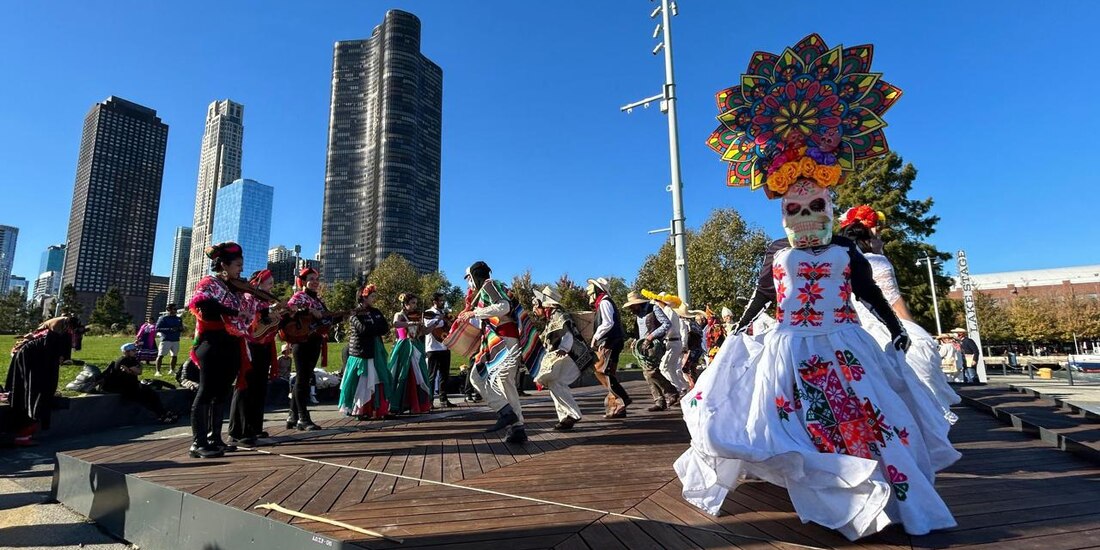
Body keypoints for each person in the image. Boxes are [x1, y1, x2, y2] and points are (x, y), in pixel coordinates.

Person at [677, 34, 956, 539]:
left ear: (829, 206)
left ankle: (871, 493)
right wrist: (738, 329)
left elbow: (869, 294)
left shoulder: (846, 250)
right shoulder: (776, 253)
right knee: (791, 418)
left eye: (815, 206)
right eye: (795, 208)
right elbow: (763, 296)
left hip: (845, 346)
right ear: (783, 213)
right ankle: (828, 487)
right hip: (787, 348)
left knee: (862, 418)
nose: (805, 215)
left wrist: (894, 327)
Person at [839, 206, 961, 419]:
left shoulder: (842, 263)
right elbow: (895, 303)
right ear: (868, 236)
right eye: (877, 232)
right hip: (886, 329)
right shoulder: (878, 262)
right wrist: (912, 329)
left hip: (857, 334)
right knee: (918, 383)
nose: (881, 237)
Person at [461, 261, 538, 444]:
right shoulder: (487, 289)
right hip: (498, 342)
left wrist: (475, 313)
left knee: (489, 378)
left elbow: (504, 307)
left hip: (504, 341)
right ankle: (514, 422)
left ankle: (510, 417)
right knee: (498, 381)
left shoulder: (490, 285)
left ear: (475, 276)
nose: (469, 283)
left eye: (469, 278)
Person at [187, 242, 251, 458]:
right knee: (206, 392)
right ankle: (198, 443)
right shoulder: (209, 283)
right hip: (212, 343)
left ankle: (215, 438)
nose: (241, 269)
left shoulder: (233, 289)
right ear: (224, 265)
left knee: (222, 393)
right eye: (238, 265)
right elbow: (203, 306)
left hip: (230, 344)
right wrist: (234, 312)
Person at [4, 317, 83, 446]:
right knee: (34, 394)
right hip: (34, 360)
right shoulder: (56, 335)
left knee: (38, 394)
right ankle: (23, 435)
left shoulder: (57, 335)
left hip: (37, 360)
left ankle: (25, 433)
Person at [228, 269, 281, 446]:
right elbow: (248, 323)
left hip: (263, 347)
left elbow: (267, 326)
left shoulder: (266, 302)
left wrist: (277, 317)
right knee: (246, 386)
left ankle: (254, 427)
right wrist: (268, 316)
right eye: (269, 283)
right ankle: (238, 431)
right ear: (257, 283)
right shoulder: (248, 298)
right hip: (249, 346)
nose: (272, 286)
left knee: (259, 387)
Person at [531, 287, 584, 430]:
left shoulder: (559, 315)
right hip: (566, 355)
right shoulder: (552, 317)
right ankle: (565, 417)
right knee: (554, 383)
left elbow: (567, 334)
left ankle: (572, 415)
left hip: (571, 355)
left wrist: (563, 348)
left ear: (545, 304)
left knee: (557, 382)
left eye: (536, 305)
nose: (535, 309)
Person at [339, 284, 394, 419]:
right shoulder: (355, 313)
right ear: (363, 297)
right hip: (361, 352)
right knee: (362, 381)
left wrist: (373, 328)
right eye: (372, 296)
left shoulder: (376, 311)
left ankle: (378, 409)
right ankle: (360, 410)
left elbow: (385, 328)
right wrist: (375, 328)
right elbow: (363, 329)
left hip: (376, 351)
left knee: (379, 378)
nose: (374, 299)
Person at [285, 267, 330, 431]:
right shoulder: (299, 296)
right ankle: (303, 418)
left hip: (315, 341)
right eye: (311, 279)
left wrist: (342, 315)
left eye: (317, 279)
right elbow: (289, 311)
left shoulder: (319, 300)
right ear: (303, 282)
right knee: (303, 379)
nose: (315, 282)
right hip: (302, 341)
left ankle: (292, 416)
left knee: (303, 377)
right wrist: (309, 310)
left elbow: (326, 319)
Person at [624, 291, 679, 411]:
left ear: (638, 304)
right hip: (643, 346)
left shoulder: (654, 309)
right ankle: (659, 401)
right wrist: (636, 340)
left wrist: (651, 336)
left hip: (654, 345)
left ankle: (671, 392)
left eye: (632, 306)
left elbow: (666, 324)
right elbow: (641, 330)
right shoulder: (638, 314)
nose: (631, 309)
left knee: (651, 372)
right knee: (647, 373)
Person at [586, 277, 632, 418]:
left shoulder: (605, 302)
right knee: (608, 372)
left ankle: (622, 398)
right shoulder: (604, 302)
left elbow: (607, 323)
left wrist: (596, 337)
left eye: (591, 289)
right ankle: (617, 407)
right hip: (612, 341)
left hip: (610, 342)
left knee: (601, 371)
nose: (588, 292)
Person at [102, 343, 176, 424]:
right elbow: (138, 371)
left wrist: (132, 370)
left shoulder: (132, 359)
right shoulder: (124, 360)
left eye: (135, 350)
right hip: (124, 388)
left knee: (152, 394)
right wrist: (136, 369)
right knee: (144, 399)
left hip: (132, 385)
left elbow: (139, 371)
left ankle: (164, 412)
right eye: (133, 350)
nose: (136, 352)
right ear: (127, 352)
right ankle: (161, 415)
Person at [389, 293, 433, 414]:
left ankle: (418, 403)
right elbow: (396, 323)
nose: (415, 306)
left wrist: (434, 324)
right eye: (413, 303)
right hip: (404, 346)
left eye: (416, 303)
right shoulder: (399, 315)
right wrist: (411, 323)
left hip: (416, 346)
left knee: (420, 373)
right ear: (405, 304)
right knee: (402, 373)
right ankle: (399, 404)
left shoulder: (417, 317)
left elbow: (424, 331)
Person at [642, 290, 690, 396]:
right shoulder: (670, 311)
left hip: (673, 341)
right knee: (671, 369)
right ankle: (682, 388)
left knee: (665, 368)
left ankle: (680, 388)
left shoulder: (668, 311)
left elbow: (667, 327)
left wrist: (655, 336)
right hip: (673, 342)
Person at [423, 292, 454, 407]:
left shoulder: (444, 313)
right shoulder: (428, 313)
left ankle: (443, 399)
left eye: (443, 300)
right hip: (433, 348)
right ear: (434, 301)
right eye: (441, 300)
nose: (443, 302)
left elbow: (451, 324)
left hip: (445, 347)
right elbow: (428, 326)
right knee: (432, 375)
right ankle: (429, 401)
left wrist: (449, 322)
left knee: (444, 375)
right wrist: (441, 321)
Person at [154, 305, 184, 376]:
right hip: (166, 339)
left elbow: (181, 328)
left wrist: (180, 329)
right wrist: (170, 329)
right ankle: (158, 372)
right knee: (160, 355)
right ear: (168, 310)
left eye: (176, 309)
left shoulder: (179, 318)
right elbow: (157, 328)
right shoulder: (163, 318)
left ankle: (172, 371)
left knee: (174, 356)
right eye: (174, 309)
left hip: (176, 339)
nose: (175, 310)